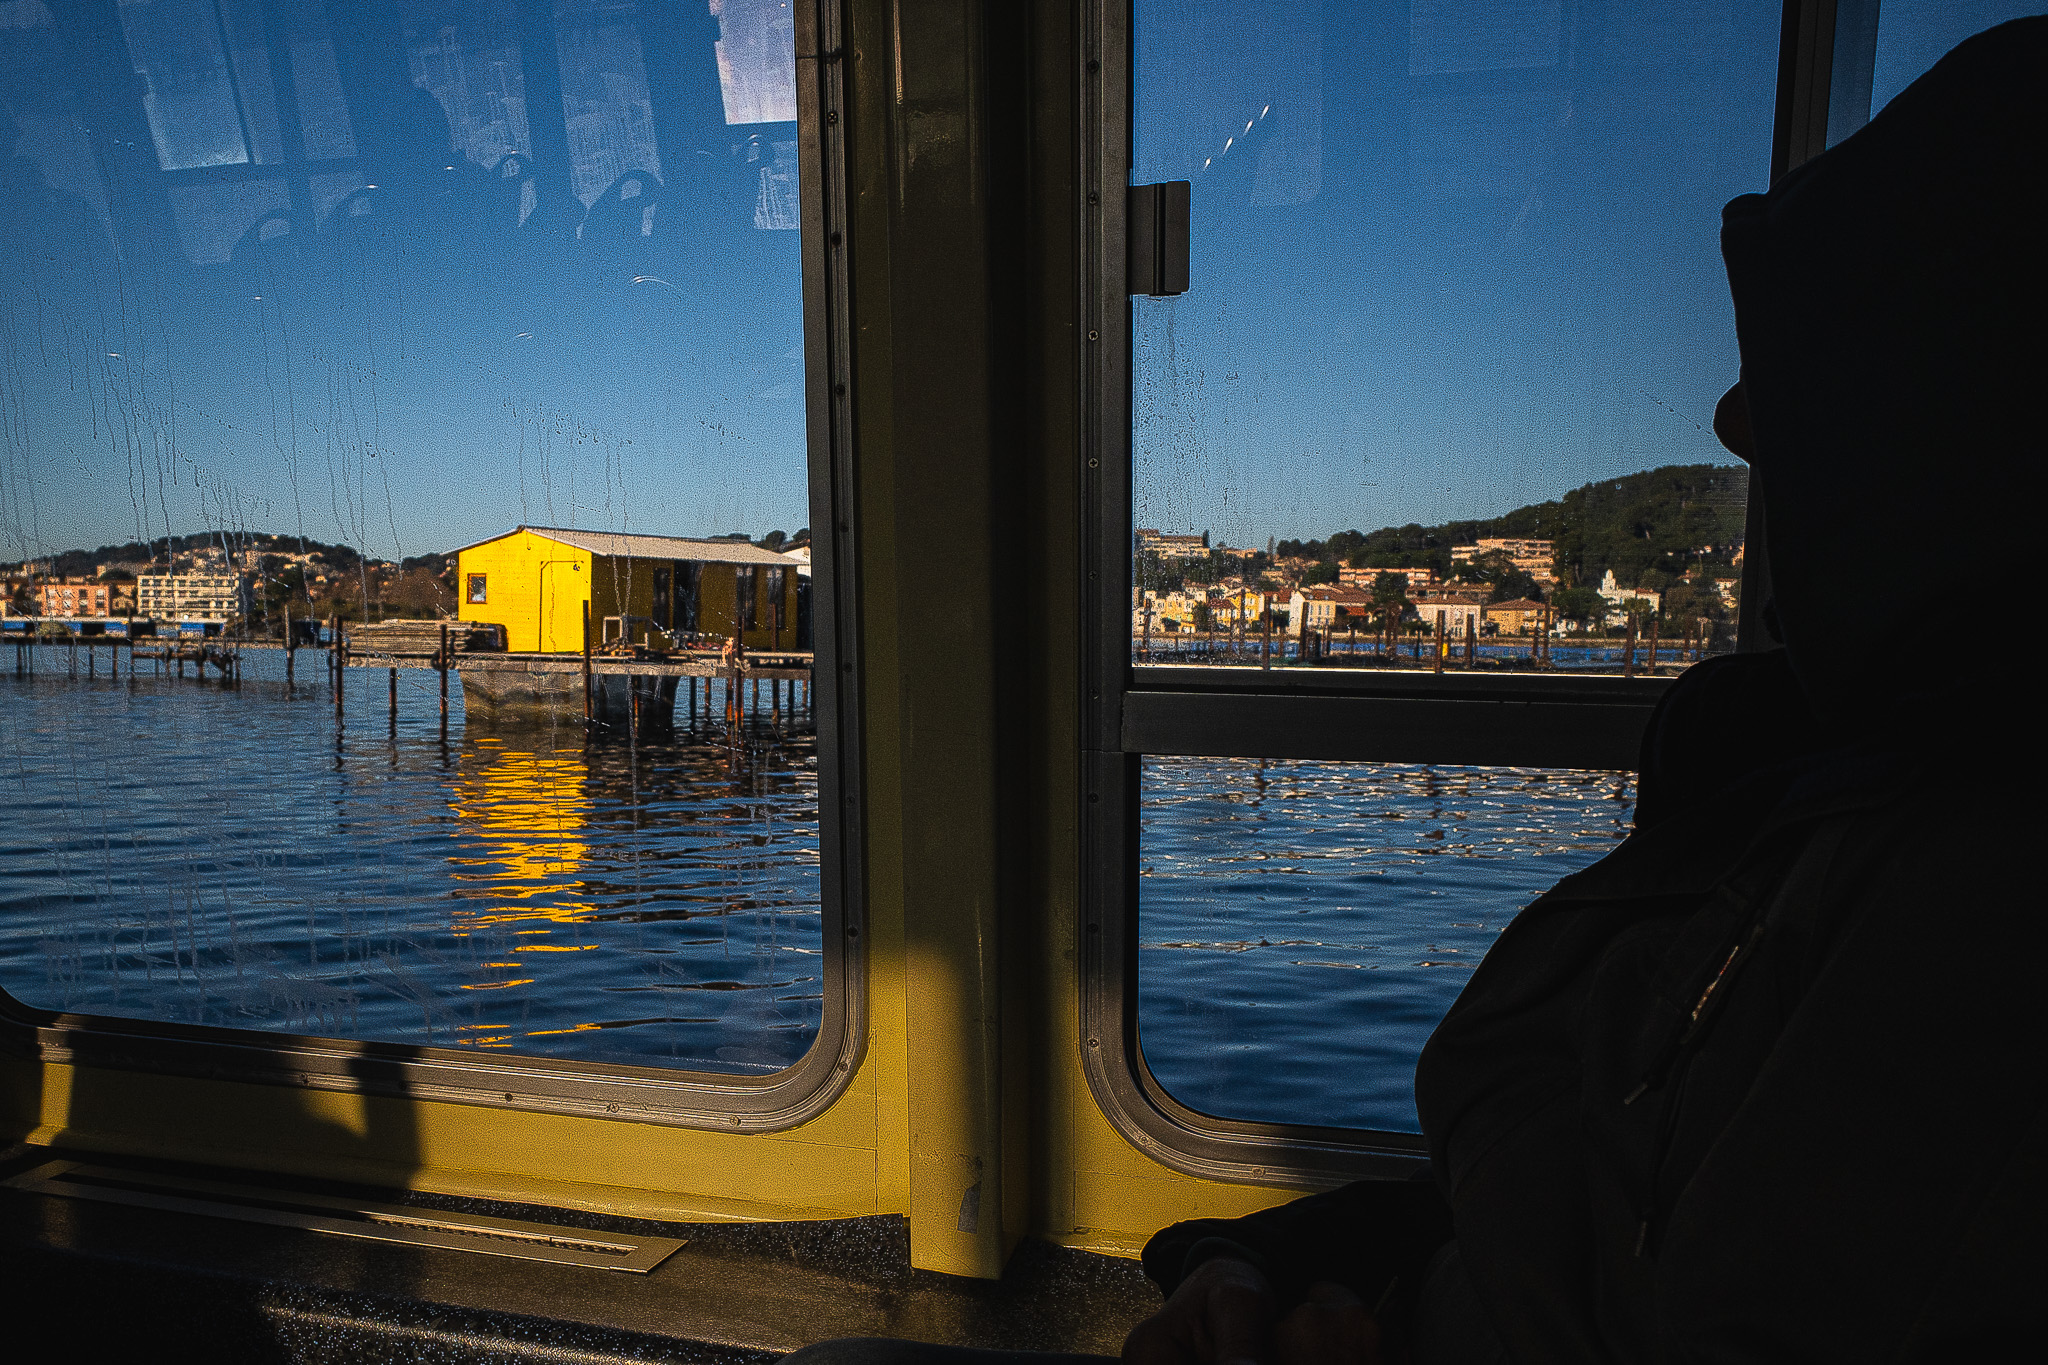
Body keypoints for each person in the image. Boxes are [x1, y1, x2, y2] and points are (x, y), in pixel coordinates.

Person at [793, 17, 2047, 1365]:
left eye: (1813, 371)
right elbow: (1544, 1199)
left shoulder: (1966, 916)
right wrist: (1242, 1258)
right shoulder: (1813, 790)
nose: (1734, 424)